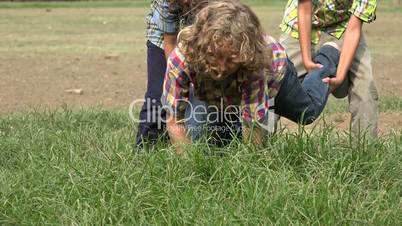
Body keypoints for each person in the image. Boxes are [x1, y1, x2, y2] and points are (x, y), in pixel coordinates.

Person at [161, 0, 341, 154]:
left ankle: (328, 54)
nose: (222, 69)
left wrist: (250, 167)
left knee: (307, 114)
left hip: (275, 71)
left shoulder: (254, 64)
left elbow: (252, 125)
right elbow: (174, 117)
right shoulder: (181, 59)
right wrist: (189, 164)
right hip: (219, 87)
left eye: (230, 60)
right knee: (201, 138)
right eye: (216, 58)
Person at [279, 0, 379, 136]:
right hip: (298, 26)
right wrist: (307, 60)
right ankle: (257, 145)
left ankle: (365, 150)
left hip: (343, 27)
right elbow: (304, 9)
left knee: (364, 83)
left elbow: (354, 29)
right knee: (274, 75)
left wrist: (340, 76)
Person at [134, 0, 181, 148]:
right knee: (159, 95)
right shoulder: (169, 3)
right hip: (164, 39)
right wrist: (174, 80)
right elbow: (170, 41)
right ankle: (147, 147)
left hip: (206, 37)